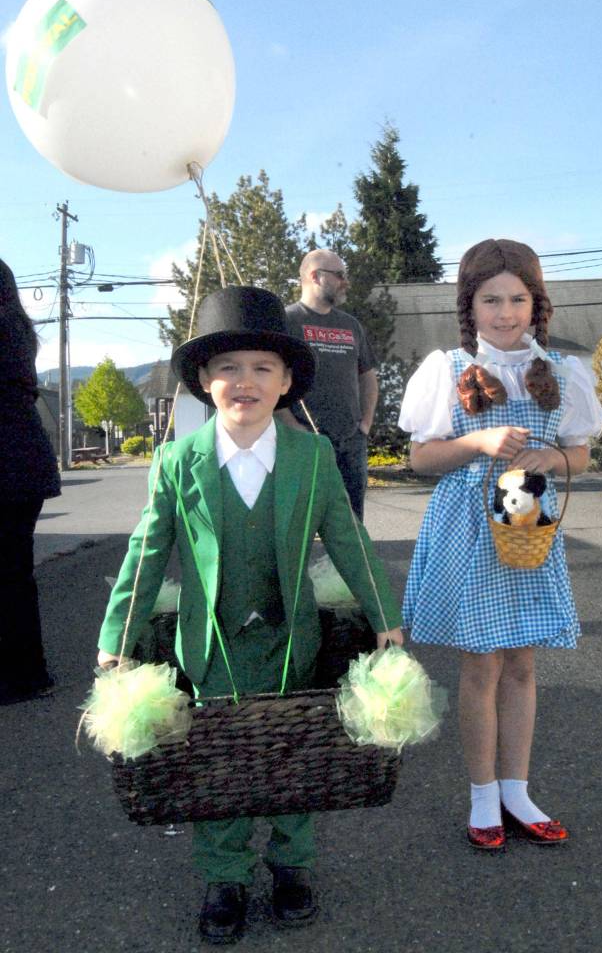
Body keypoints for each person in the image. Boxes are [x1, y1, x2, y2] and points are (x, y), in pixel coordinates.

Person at [97, 286, 403, 944]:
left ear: (287, 381)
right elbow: (148, 548)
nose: (245, 381)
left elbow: (348, 539)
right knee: (215, 764)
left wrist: (385, 617)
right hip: (209, 647)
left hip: (290, 641)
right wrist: (116, 636)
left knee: (295, 755)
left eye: (263, 367)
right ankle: (224, 876)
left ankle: (292, 867)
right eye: (228, 368)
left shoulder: (312, 458)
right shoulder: (178, 461)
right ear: (204, 382)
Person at [398, 239, 602, 851]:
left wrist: (554, 455)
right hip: (468, 527)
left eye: (518, 298)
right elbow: (419, 457)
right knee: (482, 662)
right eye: (491, 299)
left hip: (527, 524)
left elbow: (583, 454)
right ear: (471, 305)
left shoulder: (562, 372)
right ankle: (482, 795)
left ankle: (517, 789)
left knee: (521, 662)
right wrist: (480, 442)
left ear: (536, 303)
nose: (506, 312)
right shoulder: (446, 367)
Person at [278, 248, 379, 520]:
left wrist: (364, 424)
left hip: (351, 443)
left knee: (351, 526)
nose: (345, 281)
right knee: (299, 527)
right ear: (315, 276)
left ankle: (348, 566)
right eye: (339, 275)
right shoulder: (285, 321)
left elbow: (368, 376)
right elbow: (271, 379)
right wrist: (293, 426)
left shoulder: (351, 325)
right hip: (302, 443)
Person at [0, 258, 61, 705]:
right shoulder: (20, 332)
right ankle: (30, 673)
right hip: (27, 459)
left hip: (8, 459)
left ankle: (19, 677)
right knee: (15, 573)